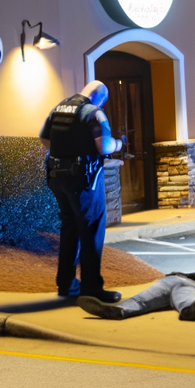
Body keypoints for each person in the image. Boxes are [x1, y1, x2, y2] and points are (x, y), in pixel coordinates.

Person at [39, 80, 123, 303]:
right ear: (101, 98)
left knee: (70, 227)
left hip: (58, 179)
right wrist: (118, 144)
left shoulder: (58, 109)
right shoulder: (94, 113)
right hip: (84, 180)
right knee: (92, 228)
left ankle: (65, 283)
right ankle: (92, 288)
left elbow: (44, 139)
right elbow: (104, 147)